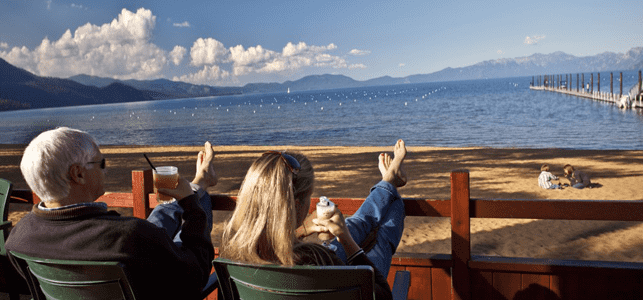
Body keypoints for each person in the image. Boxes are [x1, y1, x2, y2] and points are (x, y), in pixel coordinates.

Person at [6, 127, 217, 300]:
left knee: (158, 222)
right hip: (141, 256)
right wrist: (190, 204)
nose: (105, 170)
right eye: (101, 163)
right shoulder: (130, 236)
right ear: (78, 174)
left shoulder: (19, 237)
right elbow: (195, 276)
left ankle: (199, 182)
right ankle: (198, 189)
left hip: (127, 250)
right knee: (195, 206)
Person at [221, 140, 408, 300]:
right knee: (388, 220)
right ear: (296, 205)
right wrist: (346, 240)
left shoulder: (231, 252)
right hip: (331, 275)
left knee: (354, 224)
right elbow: (383, 295)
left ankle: (387, 182)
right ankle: (389, 183)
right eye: (309, 197)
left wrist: (300, 230)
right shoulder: (318, 259)